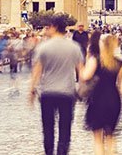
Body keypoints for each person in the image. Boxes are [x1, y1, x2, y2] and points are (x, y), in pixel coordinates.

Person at [29, 14, 84, 155]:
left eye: (48, 27)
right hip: (67, 93)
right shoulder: (74, 47)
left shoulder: (43, 47)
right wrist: (82, 90)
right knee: (65, 128)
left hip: (48, 93)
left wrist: (31, 91)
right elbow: (81, 73)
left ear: (54, 27)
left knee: (48, 128)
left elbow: (37, 72)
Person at [82, 33, 122, 155]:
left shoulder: (95, 60)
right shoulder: (120, 63)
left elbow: (85, 76)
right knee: (110, 136)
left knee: (98, 139)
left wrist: (84, 60)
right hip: (114, 99)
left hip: (98, 99)